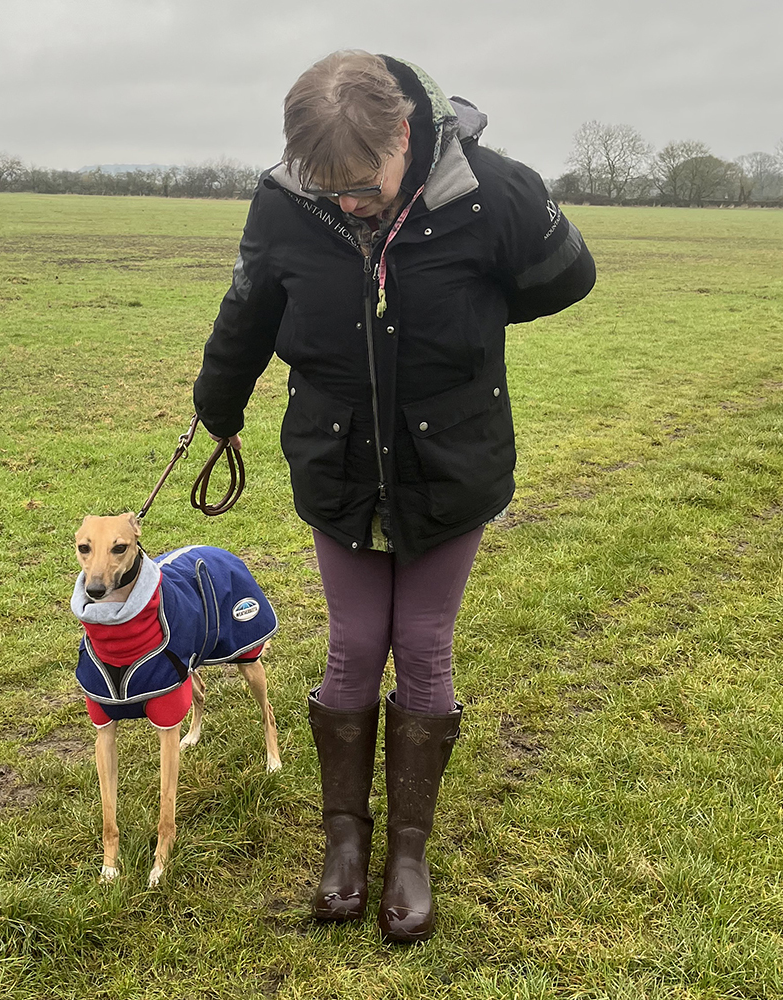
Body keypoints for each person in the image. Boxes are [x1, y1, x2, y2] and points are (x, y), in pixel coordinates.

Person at [193, 50, 595, 942]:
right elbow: (248, 308)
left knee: (421, 645)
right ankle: (345, 843)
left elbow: (567, 276)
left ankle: (409, 853)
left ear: (404, 135)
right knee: (351, 646)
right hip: (337, 461)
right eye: (326, 186)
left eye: (361, 183)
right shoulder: (284, 202)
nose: (347, 203)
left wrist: (472, 316)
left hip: (451, 462)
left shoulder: (492, 192)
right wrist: (217, 408)